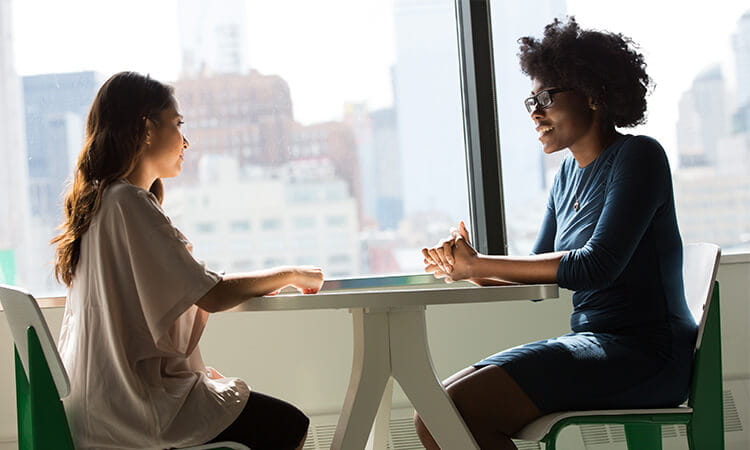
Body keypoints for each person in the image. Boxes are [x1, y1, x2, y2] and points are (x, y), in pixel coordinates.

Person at [418, 17, 697, 450]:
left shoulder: (639, 156)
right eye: (530, 100)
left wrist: (479, 263)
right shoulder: (565, 175)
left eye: (546, 97)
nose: (535, 111)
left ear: (592, 94)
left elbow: (596, 266)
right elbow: (537, 278)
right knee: (432, 413)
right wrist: (464, 268)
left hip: (647, 355)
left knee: (451, 411)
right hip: (593, 344)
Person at [52, 71, 324, 450]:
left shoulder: (100, 203)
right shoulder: (127, 202)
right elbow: (210, 294)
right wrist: (291, 273)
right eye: (178, 125)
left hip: (97, 405)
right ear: (147, 128)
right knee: (288, 424)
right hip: (133, 411)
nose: (187, 141)